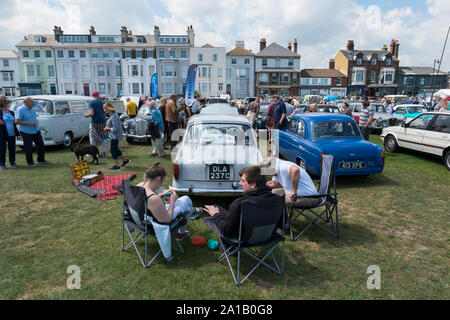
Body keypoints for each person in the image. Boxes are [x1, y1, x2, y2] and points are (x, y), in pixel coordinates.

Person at [203, 165, 281, 239]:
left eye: (243, 181)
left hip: (244, 239)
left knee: (214, 209)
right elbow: (282, 225)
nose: (239, 183)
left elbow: (227, 231)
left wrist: (215, 215)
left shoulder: (241, 204)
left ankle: (229, 249)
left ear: (253, 184)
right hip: (269, 236)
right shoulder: (278, 199)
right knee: (217, 207)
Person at [136, 163, 191, 239]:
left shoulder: (139, 186)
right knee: (186, 199)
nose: (161, 185)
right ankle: (181, 233)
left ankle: (191, 212)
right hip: (153, 223)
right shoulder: (154, 198)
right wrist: (172, 201)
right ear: (158, 179)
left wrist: (160, 196)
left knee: (187, 208)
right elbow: (167, 219)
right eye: (162, 182)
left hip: (141, 219)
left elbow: (147, 201)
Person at [15, 97, 47, 166]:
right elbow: (16, 121)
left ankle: (41, 159)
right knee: (28, 147)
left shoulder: (32, 109)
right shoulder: (20, 109)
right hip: (26, 131)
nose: (33, 103)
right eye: (31, 102)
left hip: (36, 130)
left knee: (41, 145)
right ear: (26, 103)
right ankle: (30, 162)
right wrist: (28, 124)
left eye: (33, 102)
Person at [103, 102, 130, 170]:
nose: (104, 110)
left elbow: (116, 128)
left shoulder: (114, 116)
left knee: (112, 150)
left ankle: (117, 166)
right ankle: (125, 160)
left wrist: (107, 128)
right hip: (113, 136)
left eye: (104, 109)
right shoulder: (111, 115)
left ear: (108, 108)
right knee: (115, 149)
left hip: (115, 136)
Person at [84, 91, 107, 158]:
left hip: (95, 122)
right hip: (102, 122)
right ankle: (103, 153)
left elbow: (92, 113)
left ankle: (92, 152)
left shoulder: (91, 102)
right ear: (98, 95)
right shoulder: (102, 102)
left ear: (92, 95)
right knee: (102, 136)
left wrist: (86, 115)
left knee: (92, 137)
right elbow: (105, 112)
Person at [0, 96, 19, 170]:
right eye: (6, 102)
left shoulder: (11, 112)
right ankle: (2, 164)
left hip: (12, 133)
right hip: (2, 133)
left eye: (8, 102)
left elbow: (14, 122)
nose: (8, 103)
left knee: (12, 149)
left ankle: (12, 162)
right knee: (2, 149)